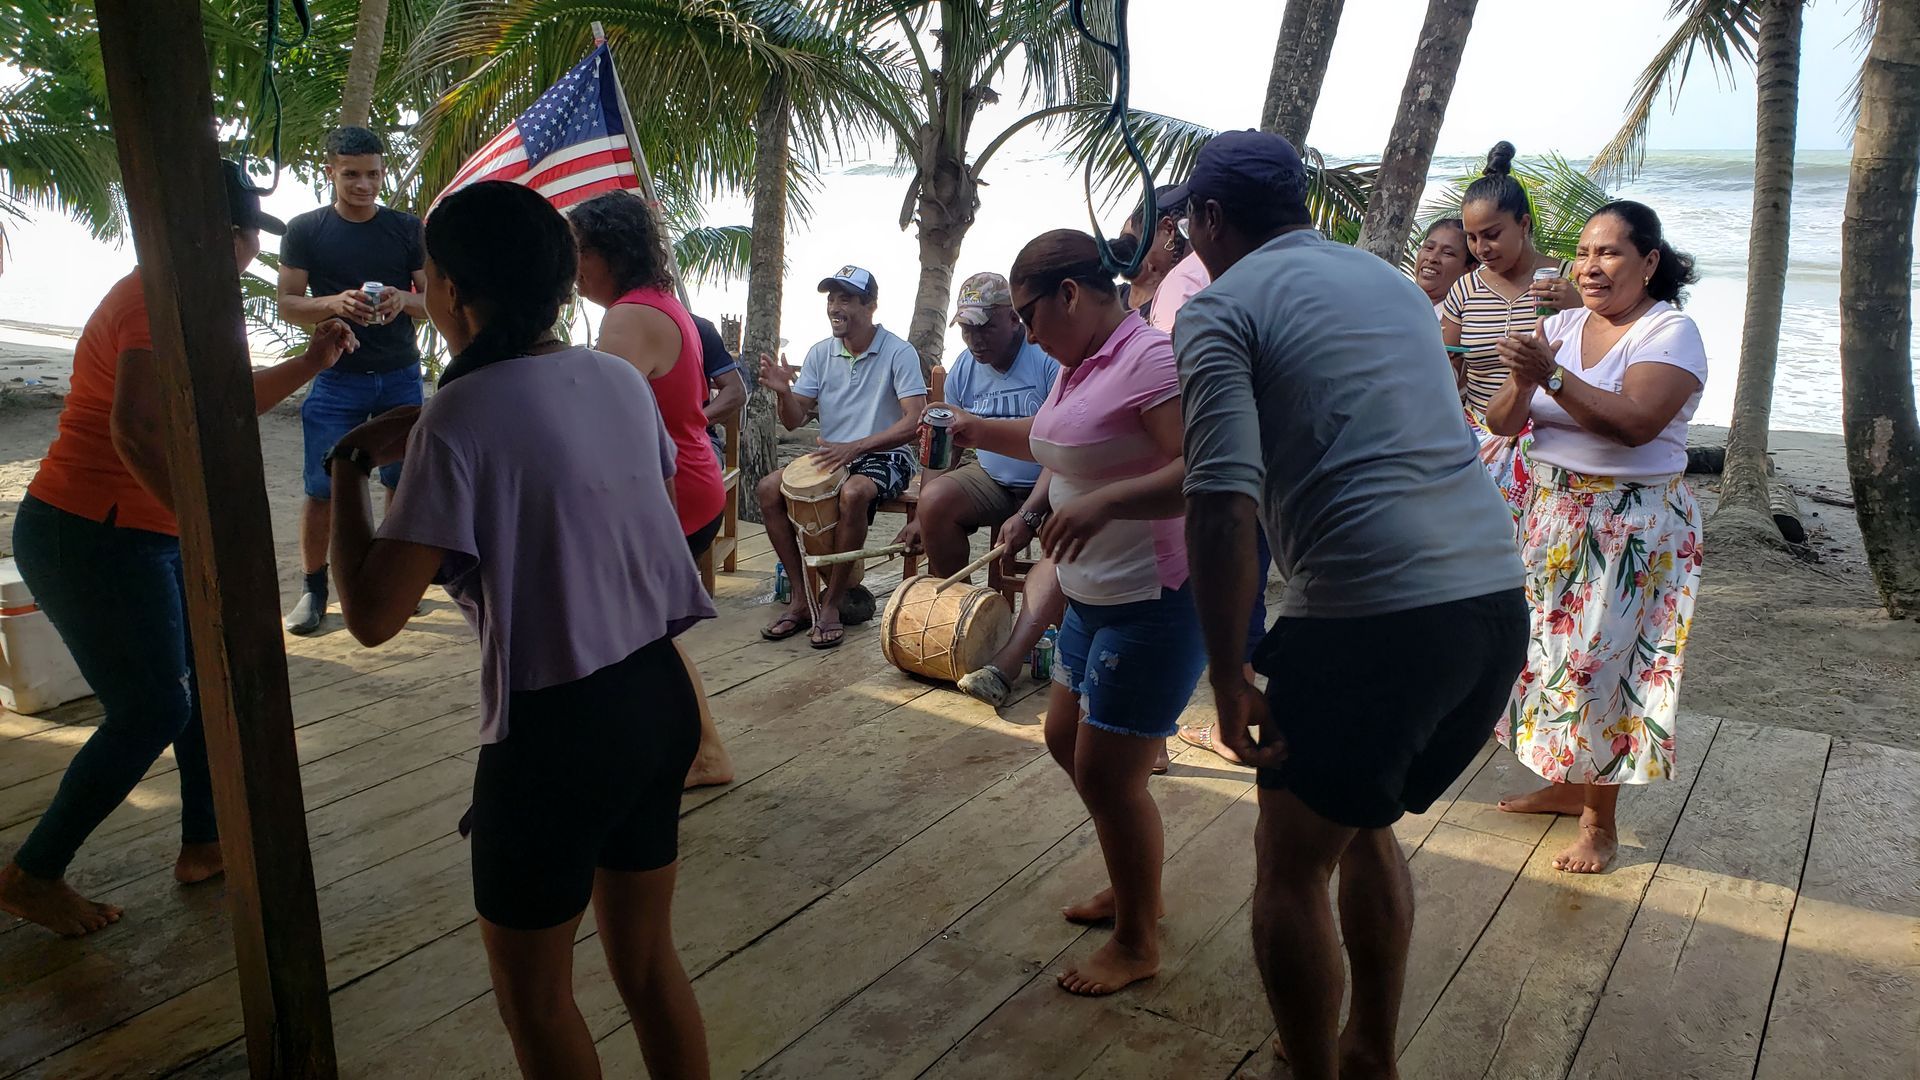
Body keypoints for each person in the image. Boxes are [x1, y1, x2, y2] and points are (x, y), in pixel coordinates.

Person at [327, 181, 714, 1078]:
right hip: (657, 702)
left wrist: (349, 468)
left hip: (555, 737)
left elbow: (373, 618)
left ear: (452, 292)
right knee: (651, 965)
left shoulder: (458, 415)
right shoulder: (617, 378)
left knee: (536, 1004)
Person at [1176, 130, 1526, 1080]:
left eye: (1190, 221)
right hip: (1494, 602)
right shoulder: (1390, 283)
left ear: (1210, 219)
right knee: (1361, 816)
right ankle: (1368, 1051)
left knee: (1288, 865)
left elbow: (1220, 506)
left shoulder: (1219, 310)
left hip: (1374, 622)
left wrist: (1224, 675)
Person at [0, 164, 358, 937]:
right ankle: (33, 873)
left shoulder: (193, 303)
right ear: (218, 235)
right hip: (86, 533)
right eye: (245, 238)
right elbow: (135, 429)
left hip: (142, 534)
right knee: (154, 705)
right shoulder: (149, 304)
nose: (247, 255)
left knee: (199, 676)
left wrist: (310, 363)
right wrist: (208, 531)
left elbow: (221, 400)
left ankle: (203, 841)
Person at [1483, 201, 1707, 876]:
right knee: (1546, 661)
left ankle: (1598, 823)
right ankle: (1563, 782)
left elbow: (1636, 423)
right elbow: (1500, 422)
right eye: (1582, 252)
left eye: (1609, 253)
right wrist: (1525, 379)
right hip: (1552, 518)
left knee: (1604, 670)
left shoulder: (1670, 332)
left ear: (1649, 261)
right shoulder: (1562, 325)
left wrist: (1550, 374)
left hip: (1631, 528)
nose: (1590, 266)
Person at [1009, 229, 1202, 997]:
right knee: (1066, 738)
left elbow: (1201, 469)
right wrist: (1030, 512)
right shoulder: (1081, 360)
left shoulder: (1149, 358)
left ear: (1070, 295)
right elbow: (1063, 452)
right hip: (1092, 593)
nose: (1026, 334)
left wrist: (1108, 504)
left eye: (1029, 315)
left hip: (1152, 596)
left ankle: (1137, 939)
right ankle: (1134, 888)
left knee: (1111, 775)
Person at [569, 192, 734, 792]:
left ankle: (701, 752)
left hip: (670, 493)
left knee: (639, 636)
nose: (574, 266)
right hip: (693, 481)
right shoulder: (661, 304)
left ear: (610, 253)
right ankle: (696, 750)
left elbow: (598, 419)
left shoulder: (629, 317)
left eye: (580, 252)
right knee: (644, 633)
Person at [276, 125, 428, 636]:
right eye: (352, 175)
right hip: (336, 376)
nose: (364, 185)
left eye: (374, 174)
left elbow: (433, 303)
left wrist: (400, 300)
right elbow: (289, 303)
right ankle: (313, 589)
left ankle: (394, 584)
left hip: (401, 374)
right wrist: (334, 303)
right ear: (330, 173)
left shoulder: (407, 229)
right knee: (322, 489)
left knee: (401, 485)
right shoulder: (305, 229)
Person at [891, 272, 1063, 702]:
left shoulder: (1046, 360)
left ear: (1014, 320)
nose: (975, 338)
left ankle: (1012, 654)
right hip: (993, 477)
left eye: (985, 326)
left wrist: (1030, 515)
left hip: (1050, 479)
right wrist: (923, 512)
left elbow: (1064, 450)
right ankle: (957, 623)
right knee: (936, 501)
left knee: (1063, 545)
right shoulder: (965, 368)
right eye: (967, 328)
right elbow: (942, 451)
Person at [755, 266, 927, 649]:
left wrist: (858, 446)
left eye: (846, 298)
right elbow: (794, 419)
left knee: (853, 494)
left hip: (887, 453)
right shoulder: (820, 353)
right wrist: (784, 393)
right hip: (833, 455)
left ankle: (831, 604)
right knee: (768, 488)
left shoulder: (898, 352)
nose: (835, 306)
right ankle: (801, 601)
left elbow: (915, 421)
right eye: (832, 298)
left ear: (870, 306)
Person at [693, 314, 747, 461]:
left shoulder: (700, 328)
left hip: (697, 436)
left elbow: (736, 391)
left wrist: (694, 421)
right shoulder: (626, 326)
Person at [1414, 217, 1476, 313]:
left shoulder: (1467, 321)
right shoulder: (1390, 300)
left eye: (1447, 253)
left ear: (1470, 268)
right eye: (1429, 247)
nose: (1432, 258)